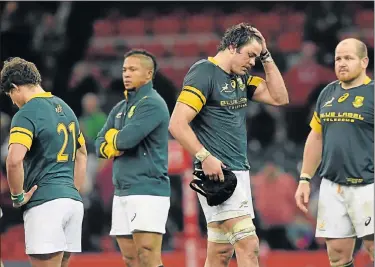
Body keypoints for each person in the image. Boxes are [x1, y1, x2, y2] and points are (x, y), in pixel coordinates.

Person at [169, 23, 289, 267]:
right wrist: (205, 157)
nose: (253, 62)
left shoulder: (240, 79)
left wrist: (266, 55)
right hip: (218, 173)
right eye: (251, 55)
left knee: (220, 253)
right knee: (249, 244)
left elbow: (280, 97)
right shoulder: (204, 72)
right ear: (232, 47)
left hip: (238, 172)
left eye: (257, 56)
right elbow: (177, 124)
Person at [0, 57, 87, 267]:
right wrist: (71, 190)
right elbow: (82, 153)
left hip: (46, 204)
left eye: (10, 95)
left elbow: (14, 161)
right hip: (72, 204)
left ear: (14, 87)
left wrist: (17, 195)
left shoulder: (26, 114)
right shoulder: (66, 109)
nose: (13, 101)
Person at [295, 38, 374, 267]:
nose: (341, 63)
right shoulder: (327, 93)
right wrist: (305, 179)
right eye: (338, 58)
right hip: (333, 186)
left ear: (364, 62)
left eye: (348, 58)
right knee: (337, 254)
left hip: (368, 184)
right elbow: (316, 137)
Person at [95, 49, 170, 267]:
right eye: (124, 69)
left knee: (148, 254)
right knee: (130, 259)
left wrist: (113, 141)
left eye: (133, 69)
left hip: (147, 188)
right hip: (122, 191)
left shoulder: (153, 104)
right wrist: (111, 145)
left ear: (148, 74)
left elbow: (125, 141)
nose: (126, 74)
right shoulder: (119, 108)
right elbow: (99, 143)